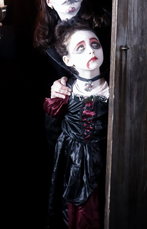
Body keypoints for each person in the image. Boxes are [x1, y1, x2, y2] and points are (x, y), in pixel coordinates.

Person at [43, 19, 109, 229]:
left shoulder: (113, 89)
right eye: (80, 48)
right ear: (68, 60)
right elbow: (52, 131)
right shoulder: (64, 92)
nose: (91, 51)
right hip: (71, 165)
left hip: (106, 164)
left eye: (94, 44)